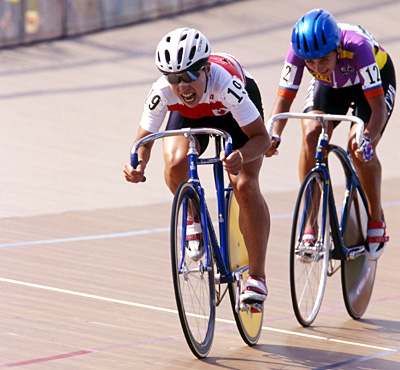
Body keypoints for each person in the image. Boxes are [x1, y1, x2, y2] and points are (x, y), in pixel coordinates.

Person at [124, 28, 270, 306]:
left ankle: (257, 276)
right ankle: (194, 218)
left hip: (232, 117)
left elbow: (262, 139)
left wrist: (240, 155)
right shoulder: (162, 91)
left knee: (244, 183)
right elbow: (142, 142)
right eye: (173, 78)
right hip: (191, 116)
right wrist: (138, 164)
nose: (183, 86)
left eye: (190, 76)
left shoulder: (227, 85)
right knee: (176, 163)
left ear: (205, 69)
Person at [265, 9, 396, 261]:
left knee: (356, 147)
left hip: (369, 84)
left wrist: (367, 138)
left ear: (337, 48)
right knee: (311, 134)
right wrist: (274, 134)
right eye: (310, 63)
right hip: (331, 87)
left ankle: (376, 216)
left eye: (323, 59)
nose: (317, 67)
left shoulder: (357, 48)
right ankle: (310, 223)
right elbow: (283, 101)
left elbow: (378, 109)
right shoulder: (298, 52)